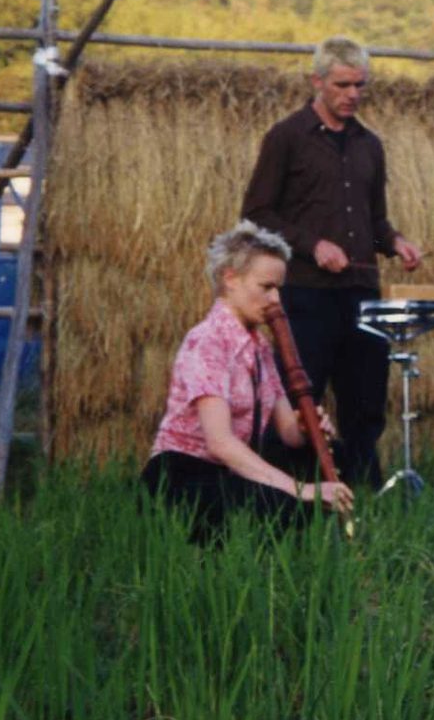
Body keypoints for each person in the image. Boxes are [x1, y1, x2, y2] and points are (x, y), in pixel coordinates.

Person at [242, 36, 422, 489]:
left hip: (362, 298)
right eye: (342, 85)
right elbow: (257, 213)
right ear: (317, 81)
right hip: (304, 296)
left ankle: (363, 496)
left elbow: (374, 218)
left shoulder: (370, 145)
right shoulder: (286, 137)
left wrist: (395, 241)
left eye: (360, 85)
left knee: (365, 404)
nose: (353, 95)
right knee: (300, 401)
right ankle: (290, 496)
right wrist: (312, 245)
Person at [142, 221, 354, 538]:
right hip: (182, 474)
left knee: (335, 454)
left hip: (227, 471)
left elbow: (288, 433)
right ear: (231, 280)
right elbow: (220, 443)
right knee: (281, 506)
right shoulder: (208, 341)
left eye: (279, 289)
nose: (275, 300)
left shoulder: (260, 347)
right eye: (266, 287)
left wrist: (310, 428)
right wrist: (301, 490)